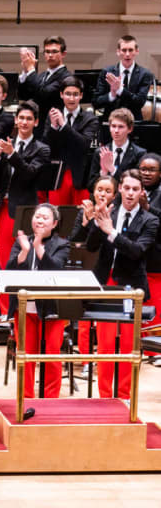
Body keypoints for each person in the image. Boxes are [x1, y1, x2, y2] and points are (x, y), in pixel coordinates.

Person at [85, 170, 158, 399]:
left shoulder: (151, 220)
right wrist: (96, 223)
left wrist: (111, 231)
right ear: (120, 191)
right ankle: (105, 397)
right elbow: (90, 247)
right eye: (126, 188)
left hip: (131, 287)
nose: (130, 193)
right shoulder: (110, 212)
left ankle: (125, 398)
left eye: (135, 189)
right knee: (106, 343)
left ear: (141, 192)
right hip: (106, 282)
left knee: (127, 345)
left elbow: (137, 251)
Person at [6, 203, 70, 398]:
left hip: (51, 309)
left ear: (55, 223)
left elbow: (55, 270)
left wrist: (38, 248)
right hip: (24, 309)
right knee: (25, 356)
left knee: (51, 356)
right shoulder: (21, 242)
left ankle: (51, 401)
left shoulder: (62, 244)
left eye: (45, 218)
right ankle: (25, 399)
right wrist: (25, 251)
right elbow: (9, 272)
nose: (40, 220)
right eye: (37, 216)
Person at [0, 100, 50, 269]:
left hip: (26, 209)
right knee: (3, 258)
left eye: (29, 119)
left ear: (36, 122)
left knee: (24, 259)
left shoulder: (42, 149)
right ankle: (4, 296)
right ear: (15, 120)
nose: (24, 122)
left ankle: (22, 296)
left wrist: (12, 154)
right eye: (21, 118)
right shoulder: (6, 145)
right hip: (4, 207)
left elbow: (29, 174)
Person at [69, 175, 118, 362]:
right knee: (84, 318)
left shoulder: (116, 213)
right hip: (86, 271)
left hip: (107, 270)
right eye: (99, 189)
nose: (102, 194)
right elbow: (74, 240)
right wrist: (85, 222)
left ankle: (107, 357)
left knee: (106, 320)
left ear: (114, 195)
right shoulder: (84, 210)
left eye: (107, 191)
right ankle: (86, 358)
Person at [42, 76, 100, 206]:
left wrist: (63, 126)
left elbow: (83, 145)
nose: (72, 98)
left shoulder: (90, 119)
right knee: (56, 215)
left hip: (80, 176)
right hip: (57, 175)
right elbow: (46, 146)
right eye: (68, 94)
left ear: (81, 96)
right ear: (61, 95)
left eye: (75, 94)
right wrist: (53, 127)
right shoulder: (52, 115)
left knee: (79, 216)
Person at [17, 36, 72, 135]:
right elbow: (23, 95)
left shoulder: (66, 77)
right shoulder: (41, 75)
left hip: (53, 130)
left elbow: (43, 94)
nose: (50, 55)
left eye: (54, 51)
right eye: (47, 52)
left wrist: (30, 69)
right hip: (37, 129)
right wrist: (25, 72)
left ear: (63, 54)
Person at [92, 35, 154, 122]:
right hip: (110, 123)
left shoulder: (145, 74)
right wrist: (112, 94)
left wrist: (120, 90)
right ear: (118, 52)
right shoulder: (107, 72)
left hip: (133, 123)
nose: (127, 54)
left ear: (137, 51)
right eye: (124, 50)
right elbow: (96, 102)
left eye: (130, 50)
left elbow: (139, 102)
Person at [87, 108, 146, 190]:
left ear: (130, 129)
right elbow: (90, 186)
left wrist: (112, 169)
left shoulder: (140, 153)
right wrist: (103, 173)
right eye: (113, 126)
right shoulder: (100, 152)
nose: (116, 131)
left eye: (121, 127)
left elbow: (136, 185)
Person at [138, 154, 161, 336]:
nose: (146, 173)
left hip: (156, 260)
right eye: (143, 169)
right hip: (135, 259)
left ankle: (155, 351)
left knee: (154, 310)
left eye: (151, 170)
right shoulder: (132, 190)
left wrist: (148, 208)